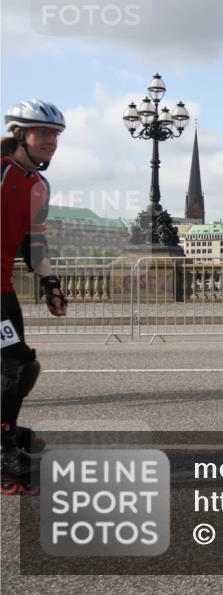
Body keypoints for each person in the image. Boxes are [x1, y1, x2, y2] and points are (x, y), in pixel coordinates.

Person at [1, 99, 68, 494]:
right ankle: (3, 447)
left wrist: (51, 284)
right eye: (43, 132)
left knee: (18, 367)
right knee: (16, 364)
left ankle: (5, 433)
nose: (51, 141)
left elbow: (34, 244)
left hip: (3, 288)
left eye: (56, 135)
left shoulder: (39, 186)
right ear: (20, 134)